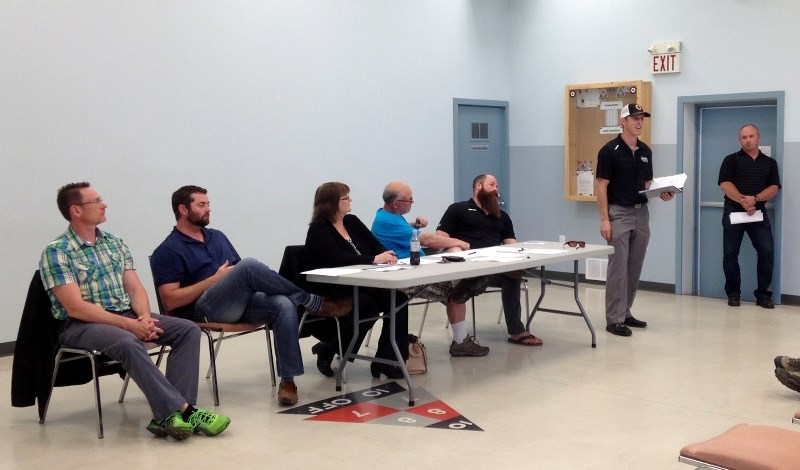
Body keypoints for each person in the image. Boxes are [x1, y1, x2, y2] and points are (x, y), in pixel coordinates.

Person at [39, 182, 230, 440]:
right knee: (128, 341)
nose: (103, 204)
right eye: (96, 201)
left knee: (187, 329)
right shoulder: (57, 251)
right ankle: (184, 411)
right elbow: (76, 307)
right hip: (82, 325)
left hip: (126, 316)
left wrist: (143, 317)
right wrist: (129, 325)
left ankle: (170, 417)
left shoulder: (114, 243)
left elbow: (135, 289)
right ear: (76, 210)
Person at [150, 185, 350, 406]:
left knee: (282, 303)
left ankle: (288, 381)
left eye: (208, 204)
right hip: (203, 310)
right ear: (183, 209)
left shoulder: (217, 237)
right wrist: (212, 281)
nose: (208, 209)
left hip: (238, 303)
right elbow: (170, 301)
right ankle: (309, 300)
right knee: (248, 266)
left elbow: (241, 278)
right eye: (201, 205)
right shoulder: (168, 250)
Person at [371, 181, 489, 357]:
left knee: (453, 256)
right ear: (396, 203)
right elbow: (426, 240)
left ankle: (464, 284)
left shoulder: (386, 215)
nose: (412, 203)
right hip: (407, 275)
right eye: (409, 200)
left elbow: (402, 232)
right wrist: (459, 241)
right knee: (456, 289)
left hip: (417, 265)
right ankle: (460, 340)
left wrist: (413, 225)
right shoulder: (387, 221)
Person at [305, 182, 409, 379]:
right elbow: (335, 260)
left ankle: (386, 361)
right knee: (367, 306)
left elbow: (374, 244)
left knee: (400, 300)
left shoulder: (352, 221)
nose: (350, 200)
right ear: (332, 203)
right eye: (346, 198)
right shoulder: (319, 230)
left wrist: (384, 255)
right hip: (336, 286)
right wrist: (372, 259)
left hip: (364, 281)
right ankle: (328, 350)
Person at [595, 103, 674, 337]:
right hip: (618, 212)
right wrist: (604, 219)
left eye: (642, 118)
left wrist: (663, 192)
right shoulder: (610, 150)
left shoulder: (645, 151)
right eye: (635, 118)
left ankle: (625, 312)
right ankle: (614, 319)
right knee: (618, 267)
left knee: (634, 266)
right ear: (623, 121)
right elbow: (601, 185)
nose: (640, 122)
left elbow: (647, 184)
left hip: (642, 213)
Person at [436, 174, 543, 346]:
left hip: (494, 267)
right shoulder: (458, 209)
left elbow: (511, 245)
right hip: (467, 267)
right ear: (479, 186)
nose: (496, 189)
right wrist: (458, 245)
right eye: (492, 184)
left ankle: (516, 331)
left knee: (513, 273)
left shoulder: (502, 216)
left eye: (497, 186)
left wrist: (525, 256)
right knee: (473, 277)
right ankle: (460, 331)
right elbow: (440, 237)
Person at [718, 124, 781, 308]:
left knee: (767, 251)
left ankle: (763, 295)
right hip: (733, 212)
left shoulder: (770, 163)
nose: (748, 140)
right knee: (730, 254)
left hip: (758, 213)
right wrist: (744, 201)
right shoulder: (731, 160)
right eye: (744, 137)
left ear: (758, 137)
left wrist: (756, 199)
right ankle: (733, 293)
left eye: (751, 136)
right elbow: (725, 184)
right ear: (740, 140)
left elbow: (774, 187)